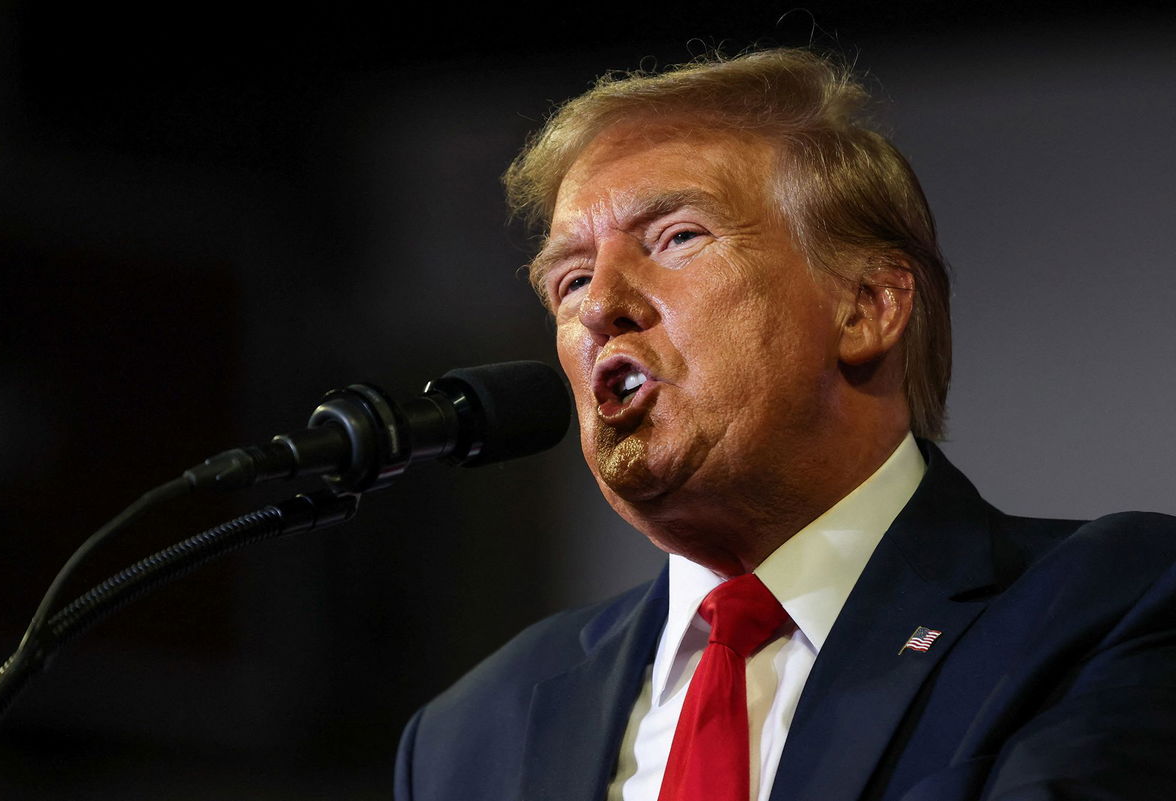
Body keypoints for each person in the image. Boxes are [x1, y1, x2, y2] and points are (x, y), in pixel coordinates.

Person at [394, 49, 1176, 801]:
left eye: (677, 238)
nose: (600, 307)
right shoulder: (470, 733)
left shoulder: (1108, 605)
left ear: (866, 307)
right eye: (568, 280)